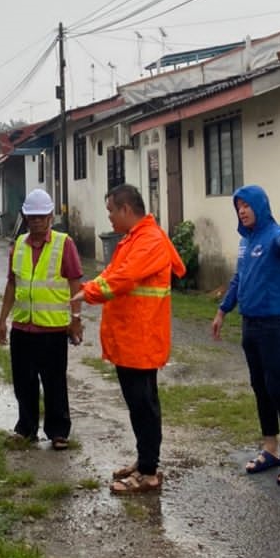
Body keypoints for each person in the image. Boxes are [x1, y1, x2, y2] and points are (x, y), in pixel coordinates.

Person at [76, 183, 185, 495]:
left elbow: (121, 279)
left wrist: (90, 294)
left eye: (111, 210)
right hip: (131, 338)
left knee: (143, 405)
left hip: (141, 338)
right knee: (139, 404)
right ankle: (145, 460)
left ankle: (149, 472)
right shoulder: (133, 240)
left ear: (125, 209)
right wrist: (90, 285)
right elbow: (112, 272)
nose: (108, 216)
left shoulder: (148, 241)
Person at [212, 184, 280, 485]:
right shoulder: (245, 241)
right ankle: (270, 447)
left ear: (260, 206)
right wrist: (223, 310)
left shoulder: (274, 234)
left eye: (247, 205)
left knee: (279, 387)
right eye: (238, 206)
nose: (242, 210)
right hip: (249, 323)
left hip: (274, 323)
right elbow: (239, 278)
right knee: (260, 386)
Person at [0, 188, 83, 448]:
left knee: (54, 382)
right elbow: (12, 284)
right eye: (31, 217)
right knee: (24, 382)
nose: (36, 221)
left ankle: (58, 432)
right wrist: (2, 320)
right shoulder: (18, 246)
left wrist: (76, 318)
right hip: (23, 327)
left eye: (41, 217)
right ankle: (26, 428)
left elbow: (75, 282)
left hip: (53, 329)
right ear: (25, 217)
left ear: (50, 217)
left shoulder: (63, 243)